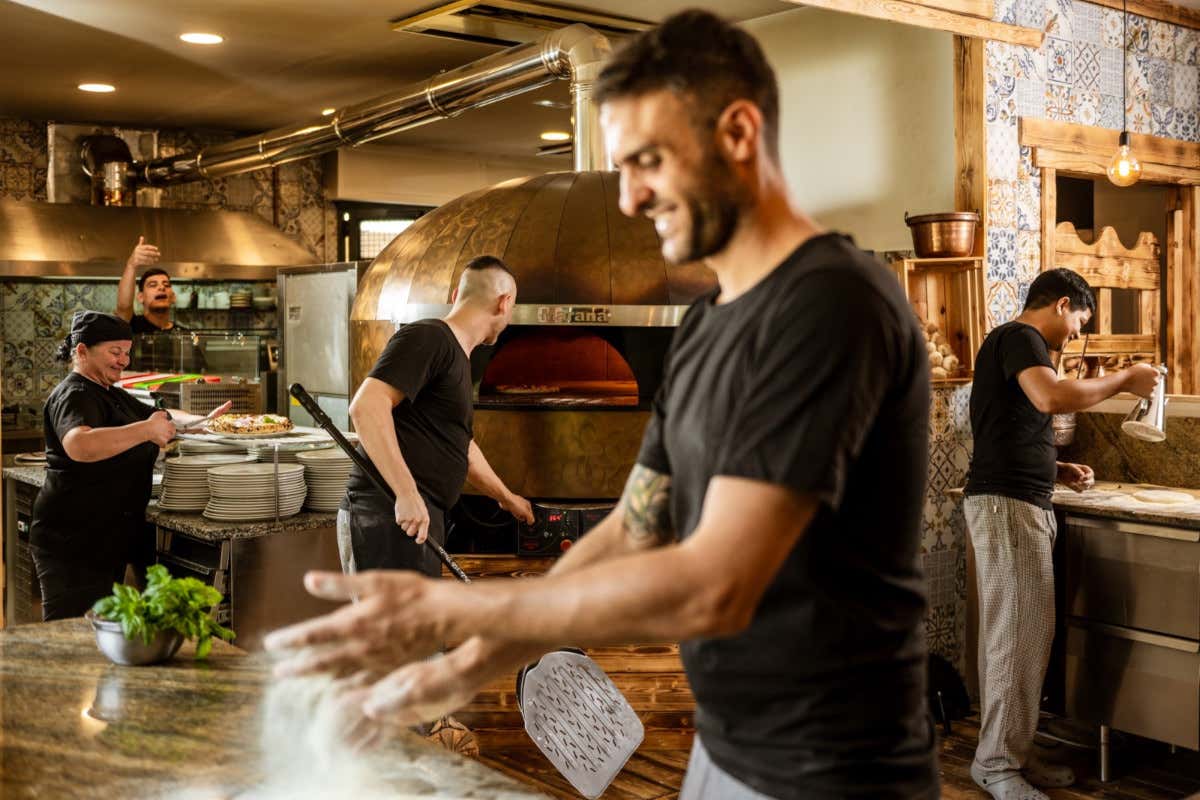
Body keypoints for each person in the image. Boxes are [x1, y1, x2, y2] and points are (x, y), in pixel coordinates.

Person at [266, 11, 938, 799]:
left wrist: (470, 616)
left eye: (648, 161)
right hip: (731, 753)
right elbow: (635, 526)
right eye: (622, 167)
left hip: (835, 770)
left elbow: (714, 582)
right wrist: (469, 666)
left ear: (739, 132)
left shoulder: (832, 305)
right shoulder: (712, 322)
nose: (629, 198)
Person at [963, 268, 1160, 800]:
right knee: (1017, 635)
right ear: (1063, 303)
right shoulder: (1021, 337)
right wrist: (1123, 379)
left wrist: (1054, 469)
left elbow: (1006, 425)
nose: (1075, 333)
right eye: (1079, 320)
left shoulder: (1013, 344)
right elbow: (1051, 399)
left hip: (1014, 497)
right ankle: (997, 767)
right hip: (1006, 507)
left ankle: (1010, 755)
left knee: (1020, 634)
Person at [338, 254, 534, 577]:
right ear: (504, 302)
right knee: (387, 628)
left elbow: (461, 447)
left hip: (414, 516)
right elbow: (367, 406)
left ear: (456, 295)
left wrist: (507, 498)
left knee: (412, 628)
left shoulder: (456, 356)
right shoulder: (429, 337)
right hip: (386, 514)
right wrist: (406, 492)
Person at [29, 310, 228, 620]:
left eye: (126, 352)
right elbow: (79, 444)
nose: (123, 361)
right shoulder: (74, 394)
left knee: (103, 635)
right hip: (73, 541)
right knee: (75, 637)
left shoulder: (110, 394)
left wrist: (203, 422)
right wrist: (145, 431)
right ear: (82, 351)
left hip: (107, 536)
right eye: (114, 352)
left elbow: (162, 415)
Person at [115, 236, 187, 334]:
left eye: (166, 285)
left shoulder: (184, 335)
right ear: (140, 297)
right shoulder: (131, 326)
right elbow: (123, 307)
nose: (161, 287)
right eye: (153, 285)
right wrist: (131, 265)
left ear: (173, 297)